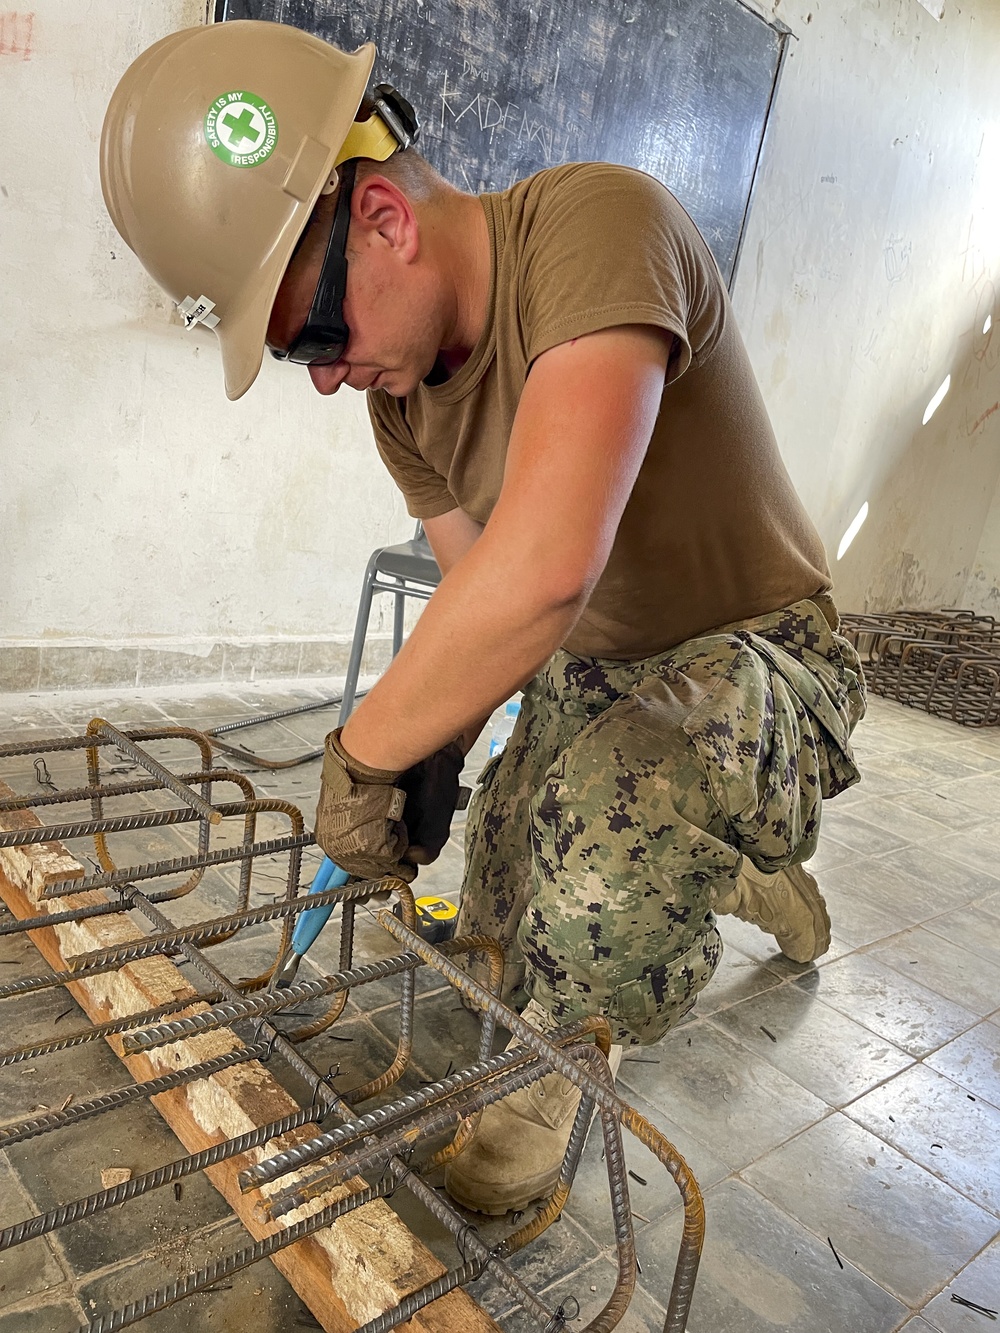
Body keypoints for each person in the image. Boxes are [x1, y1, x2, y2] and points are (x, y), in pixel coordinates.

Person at [101, 19, 866, 1217]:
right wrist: (440, 746)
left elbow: (551, 564)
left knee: (607, 874)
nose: (318, 374)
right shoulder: (402, 401)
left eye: (311, 332)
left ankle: (569, 1058)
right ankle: (739, 869)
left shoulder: (599, 226)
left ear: (386, 224)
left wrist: (364, 749)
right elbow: (486, 598)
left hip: (760, 659)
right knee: (506, 909)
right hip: (603, 675)